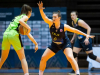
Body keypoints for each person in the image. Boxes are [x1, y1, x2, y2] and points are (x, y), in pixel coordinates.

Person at [37, 1, 95, 75]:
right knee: (43, 58)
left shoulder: (64, 26)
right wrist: (41, 10)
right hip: (55, 44)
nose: (53, 18)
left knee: (70, 57)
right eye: (53, 17)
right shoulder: (50, 23)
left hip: (65, 43)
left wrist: (86, 35)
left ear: (59, 18)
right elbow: (44, 17)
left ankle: (77, 73)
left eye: (55, 17)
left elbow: (75, 30)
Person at [0, 4, 38, 75]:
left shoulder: (17, 17)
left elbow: (28, 34)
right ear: (29, 12)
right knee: (22, 58)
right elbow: (21, 21)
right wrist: (29, 27)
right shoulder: (25, 17)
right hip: (13, 34)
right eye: (31, 12)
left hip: (6, 34)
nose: (30, 14)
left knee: (2, 58)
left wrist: (35, 43)